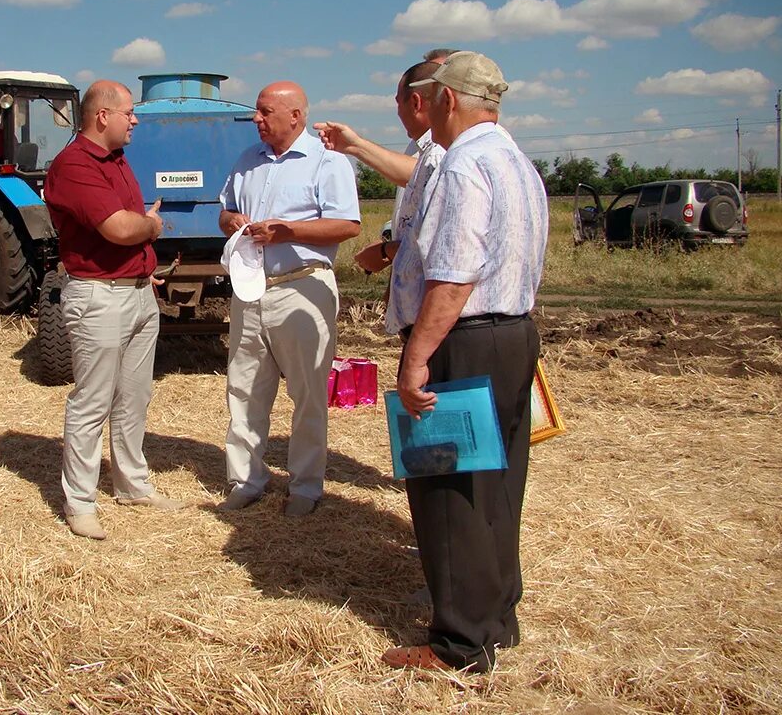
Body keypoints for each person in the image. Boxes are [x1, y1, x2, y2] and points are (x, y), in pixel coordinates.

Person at [383, 51, 548, 672]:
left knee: (447, 488)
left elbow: (453, 275)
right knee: (498, 488)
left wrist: (416, 357)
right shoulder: (518, 162)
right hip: (513, 333)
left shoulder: (463, 166)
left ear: (447, 100)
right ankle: (496, 617)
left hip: (463, 337)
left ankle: (458, 642)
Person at [43, 79, 185, 541]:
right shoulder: (73, 165)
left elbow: (128, 225)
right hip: (99, 297)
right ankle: (80, 502)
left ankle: (132, 484)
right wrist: (152, 225)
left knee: (134, 396)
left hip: (138, 291)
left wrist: (143, 251)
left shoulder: (116, 160)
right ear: (103, 116)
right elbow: (120, 228)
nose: (136, 121)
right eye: (129, 113)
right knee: (93, 401)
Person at [216, 81, 361, 517]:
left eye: (265, 112)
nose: (256, 120)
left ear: (295, 115)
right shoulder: (247, 161)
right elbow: (223, 209)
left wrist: (287, 231)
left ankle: (305, 487)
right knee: (243, 389)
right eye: (257, 113)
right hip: (251, 288)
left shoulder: (328, 162)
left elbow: (347, 226)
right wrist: (231, 220)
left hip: (302, 287)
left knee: (307, 393)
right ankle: (245, 479)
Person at [315, 49, 456, 275]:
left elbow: (429, 176)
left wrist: (386, 252)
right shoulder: (418, 146)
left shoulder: (448, 149)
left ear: (416, 102)